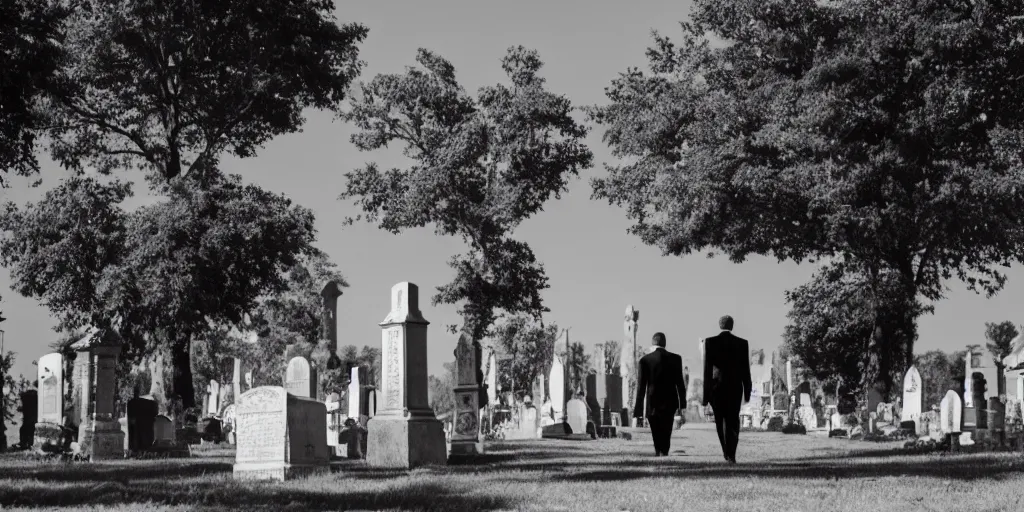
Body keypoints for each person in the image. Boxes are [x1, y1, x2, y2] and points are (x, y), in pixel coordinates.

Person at [702, 315, 752, 464]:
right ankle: (732, 453)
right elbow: (745, 370)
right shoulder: (742, 343)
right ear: (732, 325)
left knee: (720, 421)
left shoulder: (710, 342)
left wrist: (705, 395)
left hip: (717, 388)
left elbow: (707, 370)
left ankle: (726, 450)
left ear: (719, 325)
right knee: (733, 421)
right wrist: (747, 391)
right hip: (735, 388)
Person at [633, 332, 687, 456]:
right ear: (664, 344)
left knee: (655, 428)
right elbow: (680, 384)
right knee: (667, 427)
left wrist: (638, 409)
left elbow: (641, 387)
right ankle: (665, 449)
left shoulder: (645, 360)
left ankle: (658, 449)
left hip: (652, 401)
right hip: (670, 401)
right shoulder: (676, 358)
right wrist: (682, 404)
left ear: (652, 344)